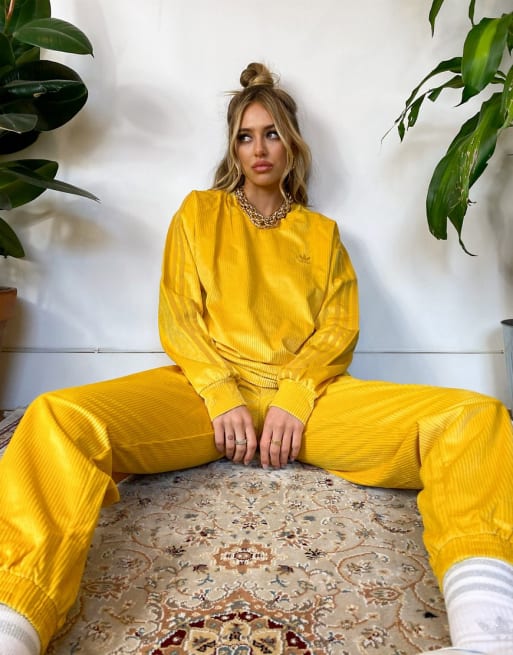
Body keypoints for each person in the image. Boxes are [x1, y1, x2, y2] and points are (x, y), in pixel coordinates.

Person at [0, 62, 512, 655]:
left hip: (309, 401)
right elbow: (180, 316)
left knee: (476, 418)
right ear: (233, 148)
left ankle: (489, 632)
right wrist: (222, 394)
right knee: (57, 417)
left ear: (292, 143)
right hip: (203, 396)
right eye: (245, 136)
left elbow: (338, 327)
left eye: (271, 134)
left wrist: (295, 396)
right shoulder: (199, 213)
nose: (259, 148)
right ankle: (12, 624)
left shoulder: (322, 233)